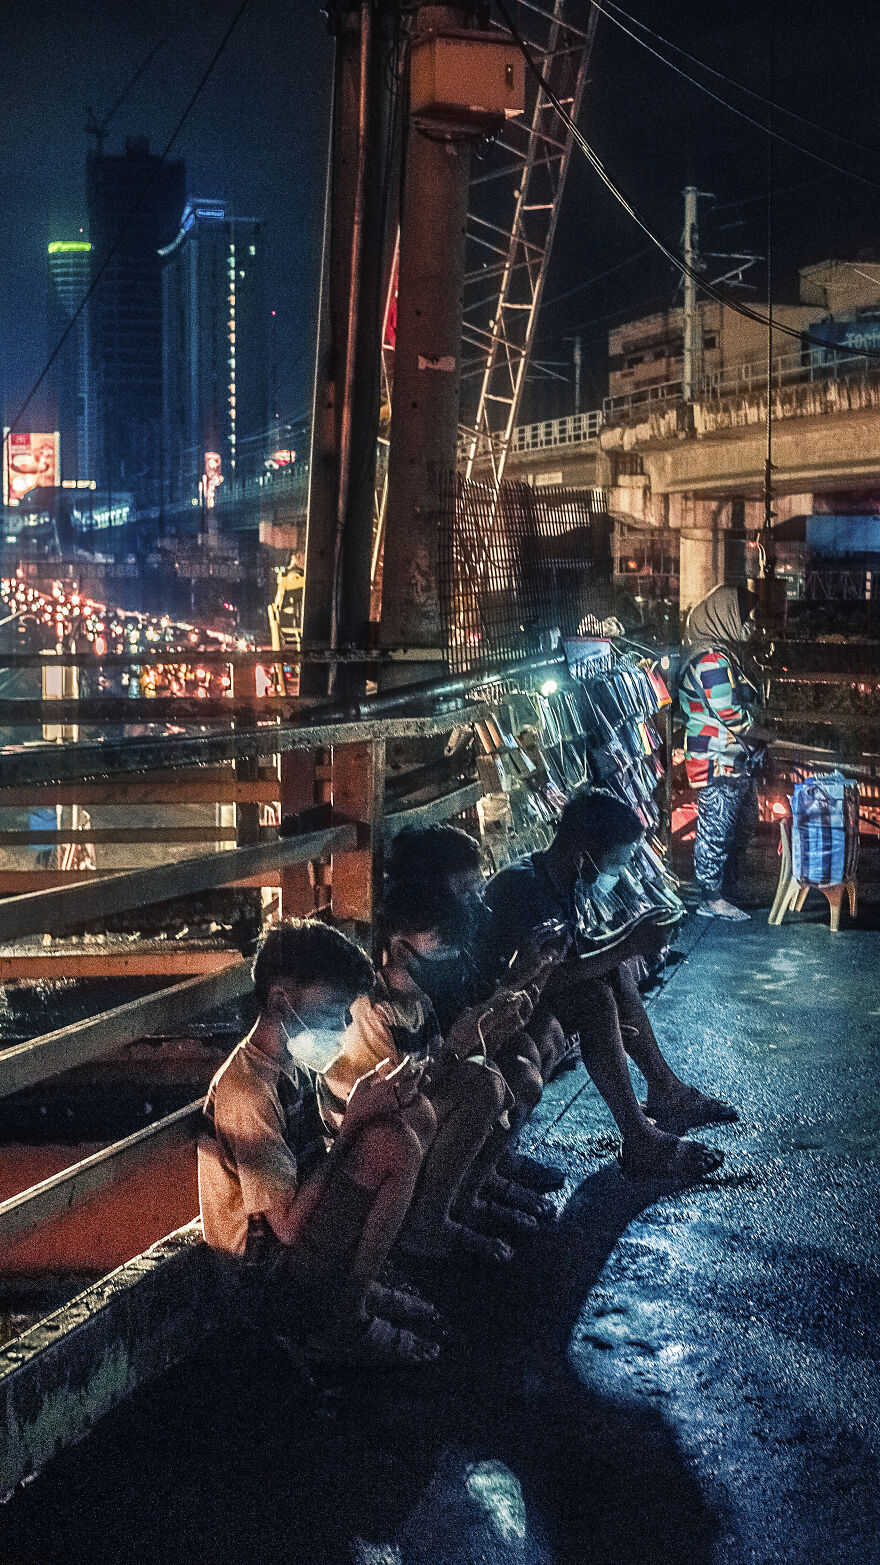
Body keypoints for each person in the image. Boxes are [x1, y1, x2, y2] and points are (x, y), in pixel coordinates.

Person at [198, 919, 441, 1368]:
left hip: (292, 1240)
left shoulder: (291, 1064)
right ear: (280, 1001)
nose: (344, 1021)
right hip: (263, 1273)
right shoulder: (247, 1091)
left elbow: (313, 1167)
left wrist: (375, 1104)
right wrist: (353, 1124)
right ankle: (341, 1320)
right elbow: (286, 1227)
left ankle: (356, 1289)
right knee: (394, 1147)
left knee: (405, 1121)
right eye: (334, 1006)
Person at [483, 787, 737, 1183]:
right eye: (619, 858)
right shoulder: (524, 890)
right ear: (584, 853)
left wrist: (633, 936)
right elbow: (547, 978)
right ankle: (640, 1135)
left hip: (530, 997)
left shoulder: (560, 878)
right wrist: (630, 945)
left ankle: (664, 1090)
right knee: (597, 997)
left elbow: (573, 953)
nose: (622, 867)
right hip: (496, 1010)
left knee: (612, 974)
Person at [320, 881, 548, 1265]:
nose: (442, 969)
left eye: (448, 958)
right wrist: (461, 1047)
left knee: (507, 1074)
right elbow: (398, 1095)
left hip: (409, 1113)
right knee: (483, 1085)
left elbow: (435, 1066)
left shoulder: (418, 1002)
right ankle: (426, 1223)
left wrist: (492, 1030)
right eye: (435, 956)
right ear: (395, 948)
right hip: (368, 1134)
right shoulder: (370, 1010)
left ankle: (467, 1198)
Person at [384, 825, 571, 1190]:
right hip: (426, 1091)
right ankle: (467, 1189)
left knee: (541, 1036)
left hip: (453, 1064)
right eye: (466, 893)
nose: (479, 904)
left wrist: (528, 973)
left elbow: (480, 1006)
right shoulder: (421, 953)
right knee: (511, 1072)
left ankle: (495, 1164)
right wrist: (512, 988)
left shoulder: (456, 936)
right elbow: (449, 1047)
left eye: (478, 890)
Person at [679, 583, 774, 921]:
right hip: (716, 758)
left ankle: (724, 888)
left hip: (733, 757)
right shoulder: (711, 660)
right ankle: (710, 897)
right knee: (716, 828)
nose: (753, 626)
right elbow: (729, 713)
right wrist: (760, 730)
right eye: (748, 619)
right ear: (727, 617)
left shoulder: (725, 654)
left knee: (741, 825)